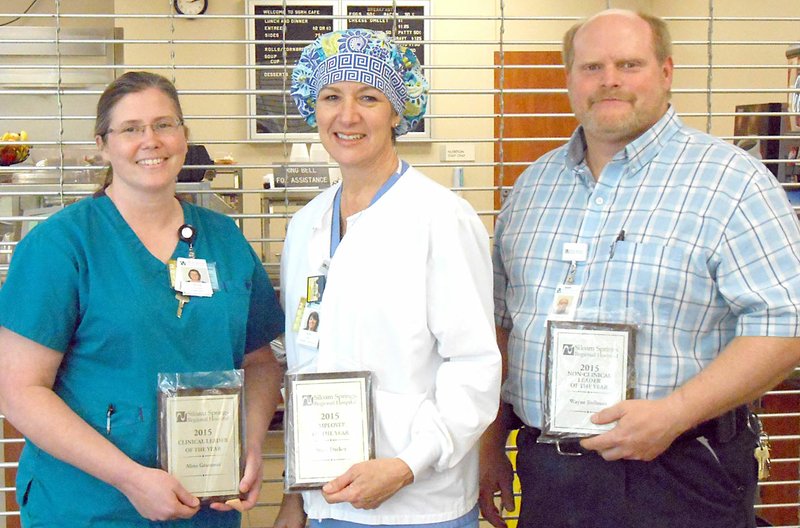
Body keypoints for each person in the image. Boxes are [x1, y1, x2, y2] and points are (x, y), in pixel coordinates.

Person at [479, 9, 800, 528]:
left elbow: (786, 326)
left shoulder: (731, 182)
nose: (609, 80)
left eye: (629, 64)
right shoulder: (532, 189)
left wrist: (674, 413)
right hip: (548, 473)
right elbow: (503, 326)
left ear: (666, 71)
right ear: (569, 78)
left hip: (681, 472)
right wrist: (489, 446)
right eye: (591, 67)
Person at [0, 71, 285, 527]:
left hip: (205, 505)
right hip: (91, 506)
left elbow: (259, 360)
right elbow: (19, 392)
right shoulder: (61, 246)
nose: (150, 140)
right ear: (103, 144)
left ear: (184, 137)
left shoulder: (223, 238)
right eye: (131, 129)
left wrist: (248, 444)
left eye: (164, 125)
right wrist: (131, 478)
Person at [275, 29, 501, 528]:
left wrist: (406, 465)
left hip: (420, 504)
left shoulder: (440, 217)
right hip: (327, 495)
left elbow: (475, 365)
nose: (347, 115)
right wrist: (298, 494)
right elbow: (304, 356)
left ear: (399, 112)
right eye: (331, 97)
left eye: (369, 98)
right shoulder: (306, 224)